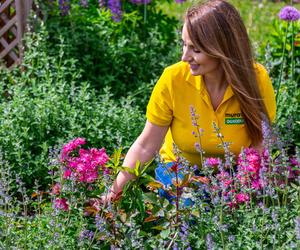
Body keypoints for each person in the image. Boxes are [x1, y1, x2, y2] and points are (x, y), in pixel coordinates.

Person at [105, 0, 276, 201]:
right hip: (179, 171)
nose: (185, 57)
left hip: (234, 171)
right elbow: (146, 146)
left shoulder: (256, 79)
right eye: (184, 44)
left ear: (223, 49)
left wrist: (240, 185)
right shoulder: (173, 79)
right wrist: (112, 195)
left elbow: (261, 141)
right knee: (189, 208)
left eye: (195, 49)